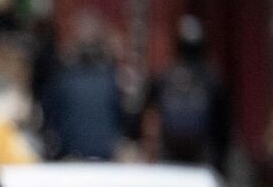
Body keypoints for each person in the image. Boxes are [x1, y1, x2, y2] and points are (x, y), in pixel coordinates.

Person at [142, 15, 229, 170]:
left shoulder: (165, 75)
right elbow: (223, 127)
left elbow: (143, 109)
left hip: (169, 155)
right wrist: (220, 164)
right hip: (202, 157)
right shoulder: (211, 79)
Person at [39, 12, 126, 161]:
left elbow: (49, 120)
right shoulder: (111, 81)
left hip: (72, 156)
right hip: (103, 156)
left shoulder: (63, 80)